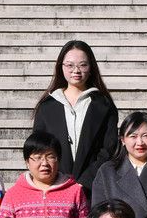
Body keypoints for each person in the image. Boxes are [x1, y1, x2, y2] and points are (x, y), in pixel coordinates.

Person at [32, 40, 119, 202]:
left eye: (83, 65)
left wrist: (85, 181)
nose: (76, 70)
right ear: (61, 67)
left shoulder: (103, 105)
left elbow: (109, 148)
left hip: (93, 189)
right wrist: (56, 179)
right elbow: (38, 147)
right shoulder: (47, 106)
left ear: (91, 67)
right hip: (55, 188)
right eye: (70, 65)